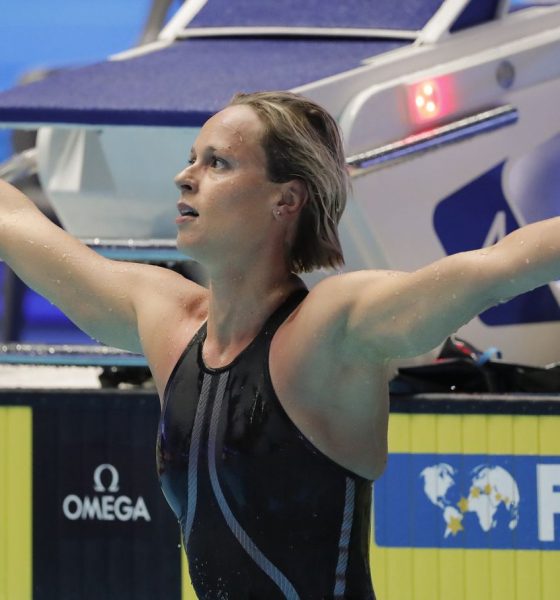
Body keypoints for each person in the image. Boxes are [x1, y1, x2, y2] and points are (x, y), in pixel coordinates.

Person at [0, 90, 559, 599]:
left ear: (286, 200)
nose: (185, 177)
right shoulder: (168, 320)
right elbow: (14, 222)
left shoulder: (331, 330)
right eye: (192, 158)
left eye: (217, 163)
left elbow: (497, 267)